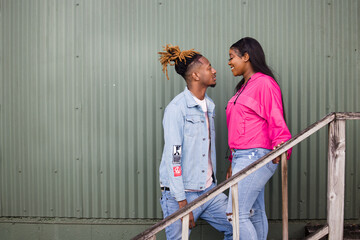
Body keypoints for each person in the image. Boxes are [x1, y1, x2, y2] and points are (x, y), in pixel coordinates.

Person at [158, 44, 233, 240]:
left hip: (208, 190)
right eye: (209, 67)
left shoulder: (209, 106)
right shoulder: (177, 109)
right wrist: (183, 204)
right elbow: (174, 157)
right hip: (179, 196)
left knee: (237, 226)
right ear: (196, 76)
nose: (214, 70)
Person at [225, 37, 292, 240]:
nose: (229, 62)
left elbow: (276, 116)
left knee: (235, 214)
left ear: (246, 57)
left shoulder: (264, 83)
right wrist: (232, 160)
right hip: (241, 157)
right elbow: (239, 128)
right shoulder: (243, 87)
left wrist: (281, 146)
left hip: (255, 155)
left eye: (232, 57)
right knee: (253, 215)